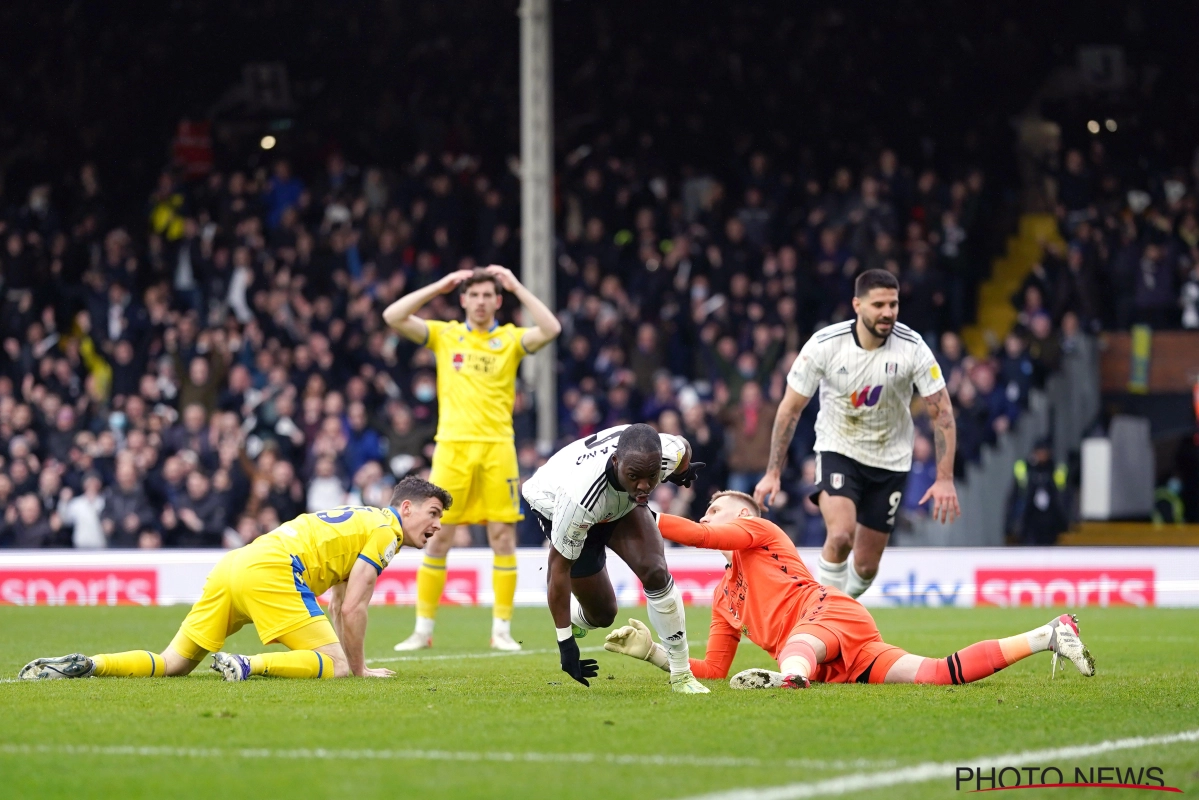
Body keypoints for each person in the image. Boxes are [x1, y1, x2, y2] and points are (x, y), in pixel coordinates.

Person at [604, 491, 1094, 688]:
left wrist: (637, 512)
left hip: (828, 616)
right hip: (837, 654)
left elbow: (701, 535)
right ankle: (1049, 634)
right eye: (706, 510)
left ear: (746, 516)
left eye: (716, 507)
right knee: (938, 675)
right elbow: (712, 670)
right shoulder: (724, 599)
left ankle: (789, 680)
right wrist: (653, 652)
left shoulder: (762, 534)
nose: (707, 515)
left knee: (795, 646)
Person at [18, 477, 450, 682]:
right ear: (406, 508)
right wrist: (359, 670)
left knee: (174, 663)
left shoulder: (364, 519)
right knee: (334, 666)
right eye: (433, 514)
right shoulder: (387, 531)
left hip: (237, 564)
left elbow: (339, 603)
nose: (437, 527)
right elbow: (354, 606)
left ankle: (90, 664)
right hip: (275, 570)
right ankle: (246, 665)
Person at [384, 265, 561, 652]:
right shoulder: (446, 334)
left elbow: (551, 329)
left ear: (498, 301)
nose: (480, 302)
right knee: (439, 536)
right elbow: (392, 316)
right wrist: (438, 285)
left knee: (502, 538)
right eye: (473, 295)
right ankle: (422, 629)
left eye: (488, 296)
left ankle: (500, 629)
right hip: (451, 449)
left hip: (498, 449)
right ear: (463, 299)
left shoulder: (510, 339)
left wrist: (518, 285)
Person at [754, 269, 960, 598]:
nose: (888, 312)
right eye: (878, 304)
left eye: (893, 304)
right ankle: (825, 620)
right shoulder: (825, 345)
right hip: (839, 450)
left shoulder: (912, 347)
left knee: (865, 566)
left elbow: (943, 413)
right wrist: (773, 472)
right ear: (857, 305)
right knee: (839, 537)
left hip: (890, 461)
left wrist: (945, 477)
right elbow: (789, 409)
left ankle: (839, 607)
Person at [521, 423, 709, 693]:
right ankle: (576, 619)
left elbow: (683, 448)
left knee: (655, 570)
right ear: (616, 461)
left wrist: (682, 472)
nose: (644, 485)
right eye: (635, 476)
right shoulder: (578, 501)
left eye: (652, 476)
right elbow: (558, 570)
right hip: (560, 505)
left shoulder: (665, 454)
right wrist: (565, 644)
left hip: (619, 502)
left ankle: (681, 674)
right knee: (603, 614)